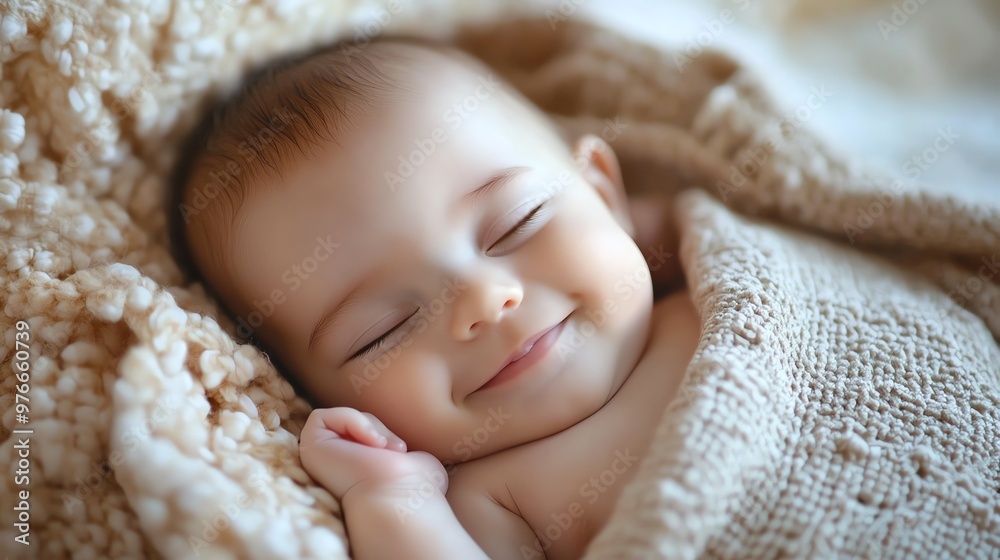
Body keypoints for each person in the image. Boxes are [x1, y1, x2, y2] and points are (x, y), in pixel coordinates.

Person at [172, 38, 699, 559]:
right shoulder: (494, 500)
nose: (482, 301)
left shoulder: (703, 276)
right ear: (309, 393)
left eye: (519, 222)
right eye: (384, 329)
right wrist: (391, 501)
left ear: (604, 194)